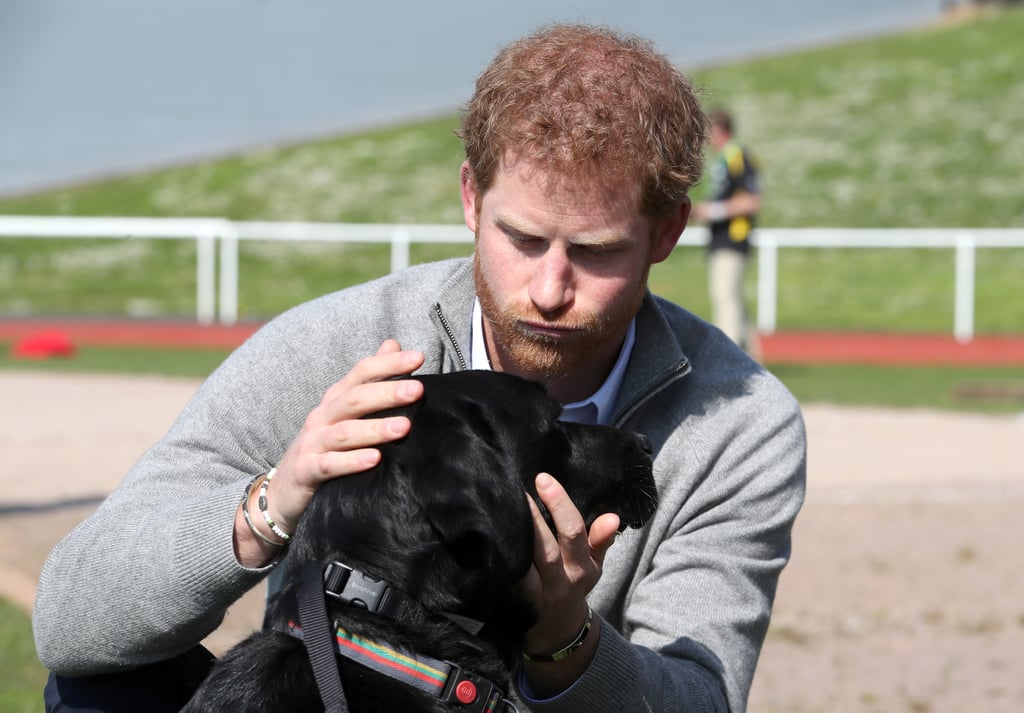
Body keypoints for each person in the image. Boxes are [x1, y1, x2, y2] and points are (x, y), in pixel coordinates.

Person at [34, 24, 806, 713]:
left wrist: (566, 639)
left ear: (668, 231)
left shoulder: (738, 422)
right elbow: (69, 624)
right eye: (524, 237)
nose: (549, 288)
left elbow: (700, 698)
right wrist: (269, 505)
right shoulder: (339, 347)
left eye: (596, 251)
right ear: (472, 197)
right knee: (101, 687)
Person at [694, 109, 763, 354]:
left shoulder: (738, 156)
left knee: (725, 299)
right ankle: (752, 362)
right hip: (721, 240)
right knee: (735, 301)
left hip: (733, 240)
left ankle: (727, 359)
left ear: (720, 130)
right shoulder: (724, 159)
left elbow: (752, 201)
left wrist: (711, 211)